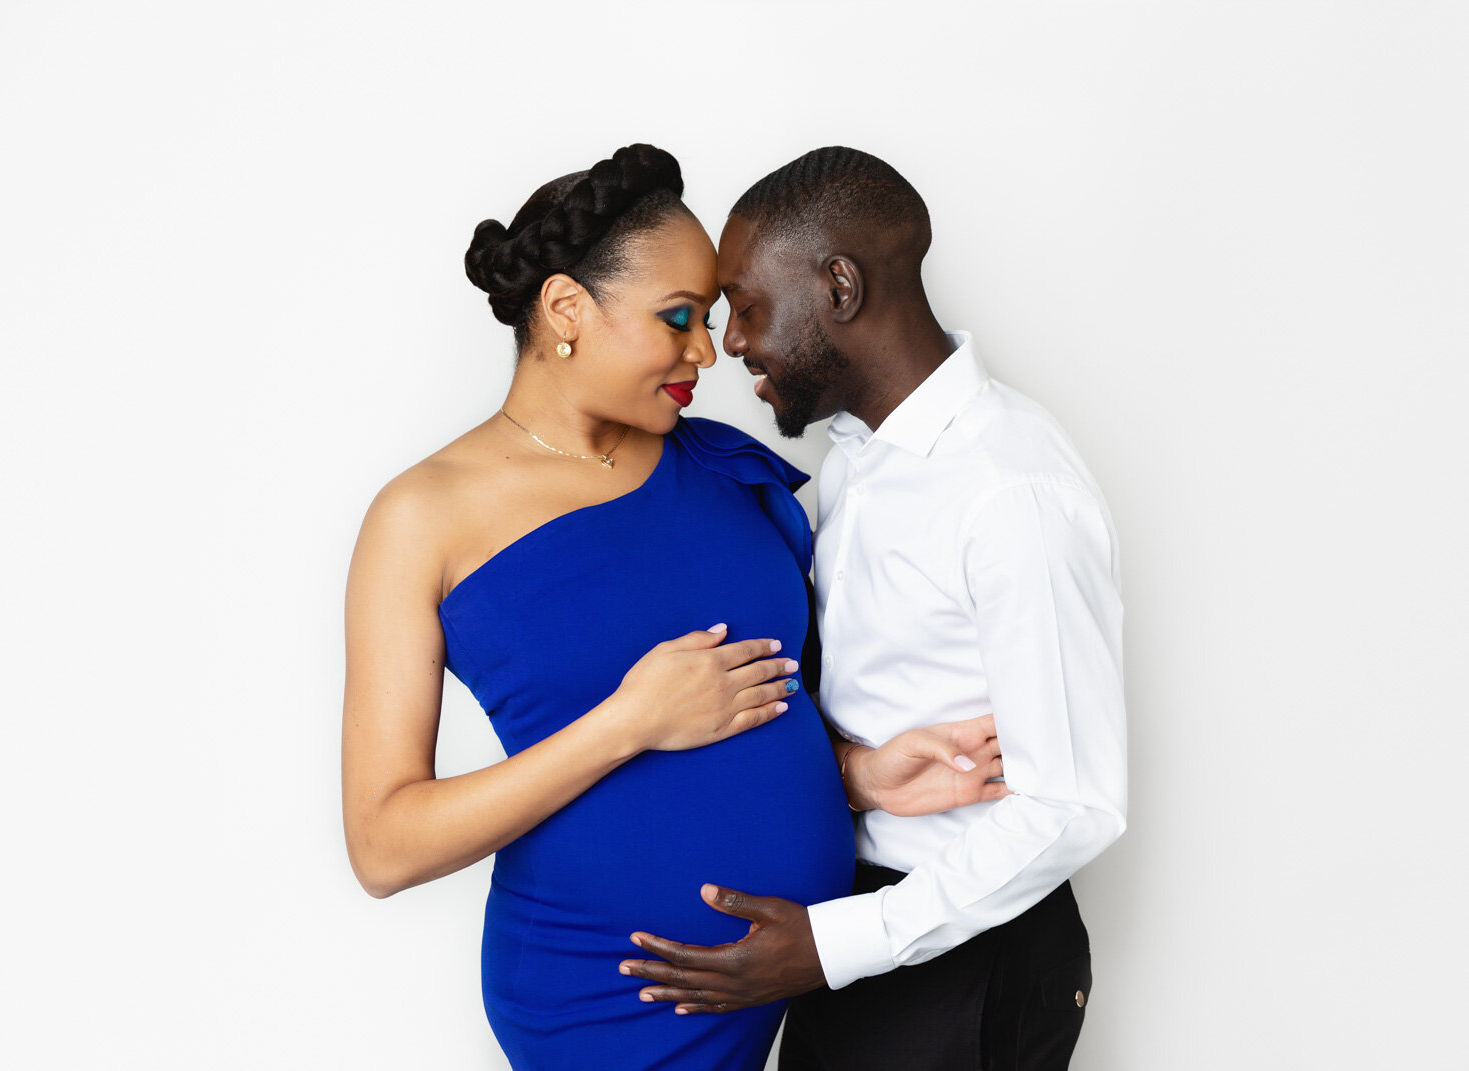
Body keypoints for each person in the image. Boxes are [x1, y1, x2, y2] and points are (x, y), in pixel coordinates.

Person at [340, 144, 1010, 1071]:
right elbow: (384, 842)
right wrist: (626, 721)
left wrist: (850, 775)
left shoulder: (721, 468)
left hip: (796, 967)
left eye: (715, 317)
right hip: (606, 993)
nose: (711, 350)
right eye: (679, 318)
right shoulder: (421, 517)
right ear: (567, 309)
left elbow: (767, 702)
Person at [620, 147, 1128, 1071]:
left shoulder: (1010, 493)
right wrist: (849, 776)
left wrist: (832, 943)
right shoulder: (853, 456)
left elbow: (1073, 803)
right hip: (853, 936)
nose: (729, 342)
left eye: (748, 304)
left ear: (840, 286)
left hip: (965, 956)